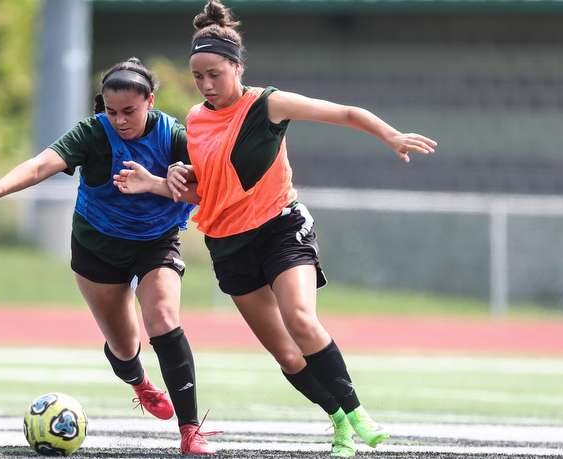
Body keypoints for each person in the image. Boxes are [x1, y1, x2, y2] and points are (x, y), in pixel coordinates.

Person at [113, 2, 437, 457]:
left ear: (236, 67)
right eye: (199, 76)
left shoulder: (268, 103)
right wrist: (154, 183)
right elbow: (210, 194)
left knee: (301, 319)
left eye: (214, 74)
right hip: (228, 246)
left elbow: (344, 112)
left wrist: (392, 135)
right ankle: (339, 422)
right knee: (286, 354)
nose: (206, 85)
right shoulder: (196, 118)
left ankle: (359, 412)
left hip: (280, 229)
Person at [0, 58, 217, 455]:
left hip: (155, 242)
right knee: (125, 346)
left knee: (162, 318)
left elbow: (215, 178)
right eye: (111, 112)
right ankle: (140, 383)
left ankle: (190, 430)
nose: (120, 120)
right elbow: (43, 163)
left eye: (129, 111)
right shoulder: (92, 134)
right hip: (97, 248)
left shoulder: (174, 135)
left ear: (150, 101)